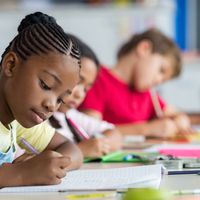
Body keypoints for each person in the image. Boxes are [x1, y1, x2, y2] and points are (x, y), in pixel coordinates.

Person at [0, 12, 83, 187]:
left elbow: (72, 149)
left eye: (61, 99)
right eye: (45, 85)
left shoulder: (15, 121)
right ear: (11, 65)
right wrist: (22, 174)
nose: (52, 105)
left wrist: (51, 165)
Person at [79, 28, 191, 139]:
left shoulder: (147, 93)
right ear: (144, 49)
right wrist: (148, 129)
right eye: (161, 70)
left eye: (163, 80)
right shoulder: (98, 78)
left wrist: (180, 119)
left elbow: (172, 112)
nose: (158, 81)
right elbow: (90, 131)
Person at [49, 35, 122, 158]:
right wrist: (80, 151)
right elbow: (39, 160)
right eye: (77, 82)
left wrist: (98, 144)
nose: (80, 94)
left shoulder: (69, 115)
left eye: (86, 88)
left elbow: (115, 134)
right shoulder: (37, 120)